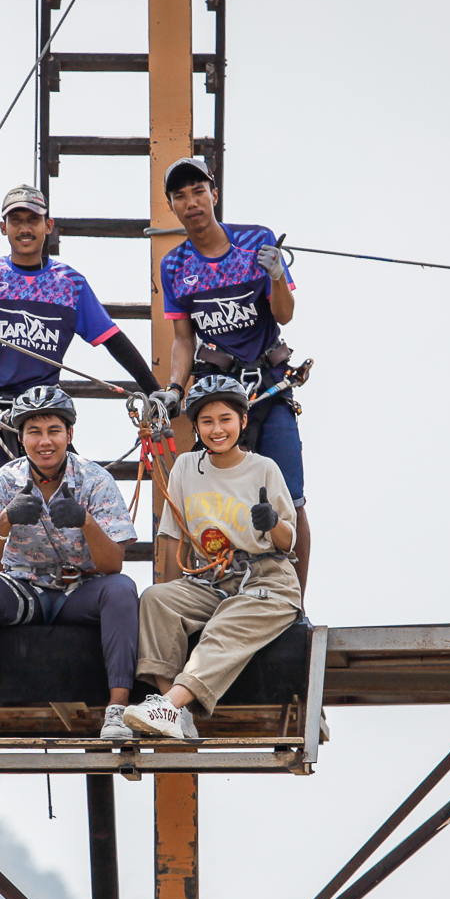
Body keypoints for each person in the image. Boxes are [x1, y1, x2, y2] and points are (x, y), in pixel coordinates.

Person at [151, 156, 312, 592]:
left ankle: (294, 599)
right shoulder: (175, 265)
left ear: (213, 194)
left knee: (290, 498)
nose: (191, 202)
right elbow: (183, 339)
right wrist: (173, 389)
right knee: (208, 490)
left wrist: (276, 275)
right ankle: (213, 585)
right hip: (217, 388)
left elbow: (284, 314)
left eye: (198, 191)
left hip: (267, 385)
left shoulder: (253, 241)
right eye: (180, 196)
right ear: (172, 205)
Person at [0, 184, 162, 497]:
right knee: (2, 502)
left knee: (71, 503)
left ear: (48, 225)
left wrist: (155, 392)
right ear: (3, 227)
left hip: (43, 412)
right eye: (16, 220)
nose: (25, 228)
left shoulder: (68, 283)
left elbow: (112, 338)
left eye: (33, 219)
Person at [0, 385, 141, 741]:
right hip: (24, 592)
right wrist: (6, 520)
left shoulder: (96, 480)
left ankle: (118, 711)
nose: (44, 441)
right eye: (34, 432)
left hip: (80, 593)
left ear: (69, 433)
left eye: (53, 430)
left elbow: (114, 565)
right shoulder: (3, 481)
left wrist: (85, 521)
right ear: (21, 439)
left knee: (122, 591)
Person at [123, 376, 301, 739]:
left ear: (243, 422)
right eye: (207, 422)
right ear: (195, 427)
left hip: (267, 579)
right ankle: (175, 712)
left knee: (226, 623)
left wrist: (272, 521)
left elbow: (287, 541)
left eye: (225, 419)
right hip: (211, 580)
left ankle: (170, 704)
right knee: (157, 600)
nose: (217, 429)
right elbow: (175, 540)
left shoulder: (264, 468)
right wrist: (176, 599)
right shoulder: (186, 468)